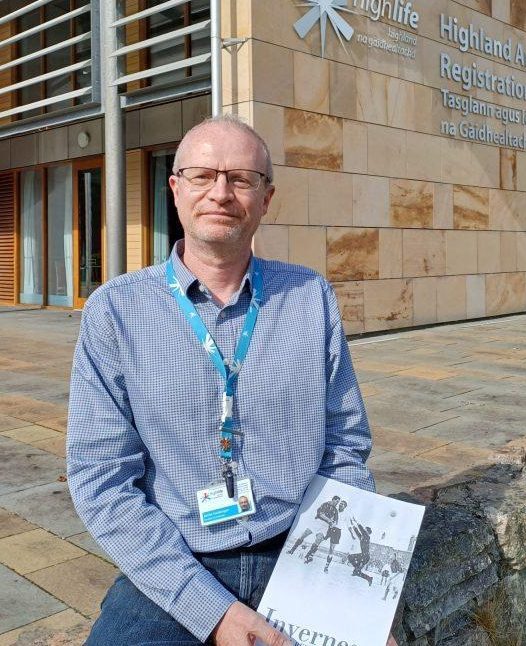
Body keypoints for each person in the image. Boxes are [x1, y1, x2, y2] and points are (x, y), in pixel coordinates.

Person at [66, 115, 396, 645]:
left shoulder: (310, 298)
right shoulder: (116, 312)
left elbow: (345, 449)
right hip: (178, 558)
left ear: (266, 198)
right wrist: (211, 612)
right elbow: (101, 480)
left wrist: (356, 598)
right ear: (175, 189)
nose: (221, 192)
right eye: (202, 175)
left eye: (241, 179)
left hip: (300, 547)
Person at [347, 519, 373, 586]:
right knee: (357, 572)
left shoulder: (367, 536)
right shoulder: (362, 537)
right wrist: (352, 524)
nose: (364, 530)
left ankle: (357, 569)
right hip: (363, 556)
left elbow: (361, 530)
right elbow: (357, 532)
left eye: (365, 530)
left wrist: (356, 521)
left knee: (350, 557)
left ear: (367, 532)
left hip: (365, 556)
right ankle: (369, 578)